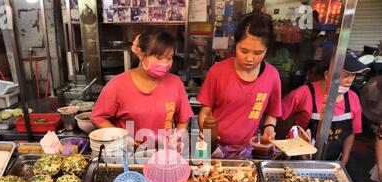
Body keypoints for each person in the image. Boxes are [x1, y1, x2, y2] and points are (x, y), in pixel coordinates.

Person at [197, 14, 282, 159]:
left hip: (247, 150)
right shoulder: (218, 71)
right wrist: (207, 133)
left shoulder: (272, 76)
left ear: (267, 50)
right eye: (244, 51)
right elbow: (205, 112)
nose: (249, 58)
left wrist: (269, 128)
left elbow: (272, 114)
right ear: (235, 44)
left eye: (258, 53)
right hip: (212, 147)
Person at [91, 27, 193, 146]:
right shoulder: (117, 85)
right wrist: (121, 138)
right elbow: (98, 118)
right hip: (127, 156)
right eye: (159, 58)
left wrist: (177, 137)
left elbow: (183, 119)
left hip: (163, 156)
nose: (165, 63)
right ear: (140, 53)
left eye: (169, 58)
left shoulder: (175, 83)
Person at [281, 49, 370, 165]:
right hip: (298, 160)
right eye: (346, 75)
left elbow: (351, 132)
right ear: (327, 75)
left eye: (353, 75)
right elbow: (278, 116)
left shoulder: (353, 98)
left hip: (333, 162)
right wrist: (290, 139)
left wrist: (344, 160)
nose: (350, 80)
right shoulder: (304, 93)